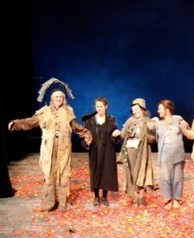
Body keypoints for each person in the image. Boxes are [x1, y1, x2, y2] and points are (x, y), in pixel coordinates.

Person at [7, 79, 91, 211]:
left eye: (61, 97)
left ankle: (63, 202)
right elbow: (30, 122)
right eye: (56, 97)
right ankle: (49, 202)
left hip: (63, 148)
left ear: (63, 99)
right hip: (49, 148)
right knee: (49, 175)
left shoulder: (68, 112)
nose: (59, 99)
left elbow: (76, 127)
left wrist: (87, 134)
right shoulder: (44, 112)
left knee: (64, 175)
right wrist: (16, 124)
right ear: (52, 98)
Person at [81, 97, 121, 208]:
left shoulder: (111, 119)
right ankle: (96, 197)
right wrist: (86, 141)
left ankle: (104, 197)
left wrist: (115, 135)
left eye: (101, 106)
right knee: (95, 172)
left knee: (106, 172)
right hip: (95, 151)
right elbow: (85, 135)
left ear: (106, 107)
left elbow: (114, 135)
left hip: (107, 151)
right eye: (97, 106)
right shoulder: (90, 120)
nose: (99, 108)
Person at [119, 98, 157, 207]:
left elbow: (153, 139)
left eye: (137, 109)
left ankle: (141, 197)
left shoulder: (148, 121)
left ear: (142, 109)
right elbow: (122, 135)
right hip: (130, 150)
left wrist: (146, 134)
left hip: (143, 151)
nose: (135, 111)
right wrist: (121, 133)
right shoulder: (130, 121)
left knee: (141, 172)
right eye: (133, 110)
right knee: (132, 172)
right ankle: (135, 196)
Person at [154, 99, 186, 210]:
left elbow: (186, 130)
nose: (158, 111)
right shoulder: (159, 123)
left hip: (177, 152)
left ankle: (176, 198)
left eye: (160, 108)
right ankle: (168, 198)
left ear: (167, 109)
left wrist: (184, 125)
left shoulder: (178, 119)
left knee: (177, 177)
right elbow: (156, 138)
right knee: (165, 177)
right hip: (164, 152)